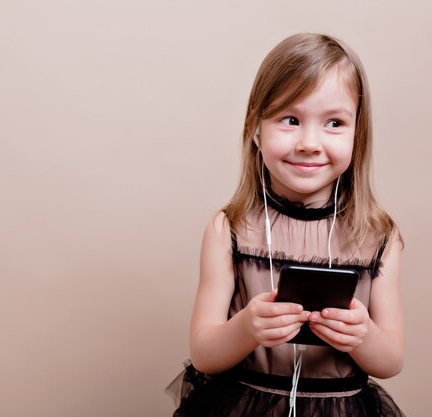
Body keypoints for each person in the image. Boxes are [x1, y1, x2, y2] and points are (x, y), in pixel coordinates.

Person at [167, 33, 406, 417]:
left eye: (334, 122)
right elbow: (203, 353)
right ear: (255, 129)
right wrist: (247, 328)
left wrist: (363, 335)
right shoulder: (228, 229)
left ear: (357, 135)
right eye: (290, 120)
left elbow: (391, 360)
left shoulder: (378, 237)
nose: (310, 143)